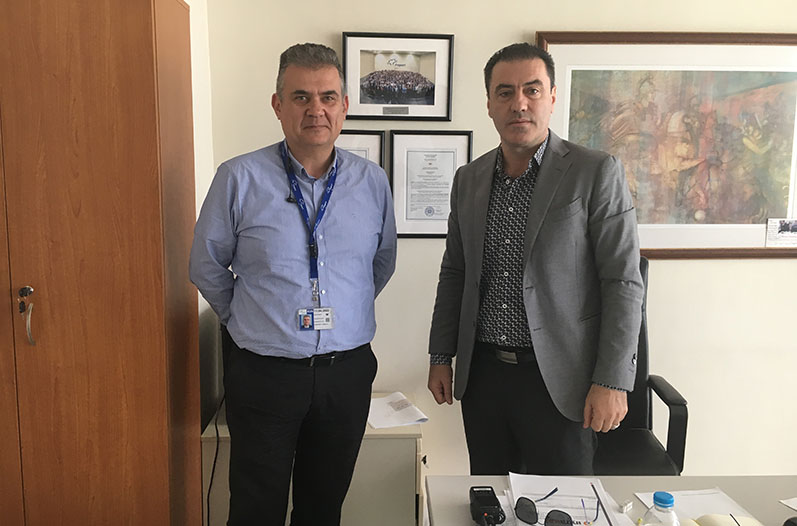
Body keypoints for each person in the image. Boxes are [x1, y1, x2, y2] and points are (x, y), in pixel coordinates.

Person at [190, 43, 397, 526]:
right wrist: (249, 319)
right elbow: (205, 265)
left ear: (345, 106)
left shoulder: (372, 182)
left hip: (345, 373)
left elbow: (381, 263)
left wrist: (344, 311)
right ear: (278, 105)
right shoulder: (238, 177)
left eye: (328, 97)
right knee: (255, 508)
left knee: (323, 508)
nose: (315, 109)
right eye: (301, 96)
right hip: (264, 373)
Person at [427, 43, 643, 476]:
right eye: (505, 92)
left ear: (552, 97)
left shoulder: (595, 171)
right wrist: (440, 355)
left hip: (562, 380)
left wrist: (612, 380)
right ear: (489, 103)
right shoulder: (468, 179)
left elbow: (622, 281)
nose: (519, 103)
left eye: (532, 90)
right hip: (484, 377)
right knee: (490, 500)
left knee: (563, 504)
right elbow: (455, 272)